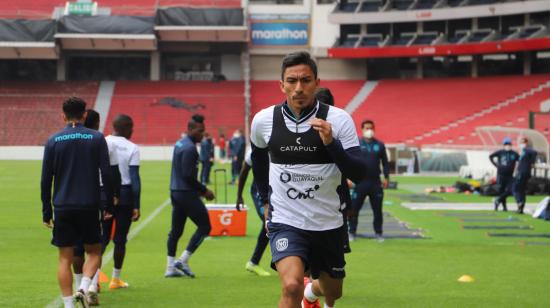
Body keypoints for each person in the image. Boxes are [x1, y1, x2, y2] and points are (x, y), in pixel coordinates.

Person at [250, 51, 366, 308]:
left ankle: (311, 294)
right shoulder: (263, 120)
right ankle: (301, 292)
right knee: (290, 286)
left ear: (317, 82)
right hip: (286, 221)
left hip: (328, 223)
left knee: (333, 292)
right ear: (281, 85)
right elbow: (258, 159)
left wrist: (331, 144)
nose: (298, 87)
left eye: (306, 80)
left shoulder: (339, 120)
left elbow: (359, 173)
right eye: (291, 81)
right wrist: (265, 199)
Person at [41, 97, 115, 308]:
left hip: (63, 206)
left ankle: (68, 304)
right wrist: (108, 204)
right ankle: (83, 286)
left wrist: (47, 211)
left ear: (63, 115)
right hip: (89, 205)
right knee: (94, 251)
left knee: (65, 258)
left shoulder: (53, 140)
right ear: (84, 115)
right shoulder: (96, 138)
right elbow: (106, 174)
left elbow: (46, 179)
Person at [166, 114, 215, 278]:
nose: (202, 134)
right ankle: (183, 260)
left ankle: (169, 267)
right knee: (205, 227)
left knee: (176, 231)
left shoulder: (180, 144)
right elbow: (188, 175)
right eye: (200, 131)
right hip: (187, 193)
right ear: (191, 129)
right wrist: (204, 191)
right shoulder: (190, 149)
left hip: (175, 192)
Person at [97, 114, 141, 292]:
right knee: (120, 239)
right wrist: (137, 204)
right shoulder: (132, 147)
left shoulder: (103, 142)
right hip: (125, 195)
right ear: (127, 128)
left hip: (104, 193)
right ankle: (115, 279)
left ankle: (94, 280)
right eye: (132, 128)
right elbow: (135, 178)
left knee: (102, 238)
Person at [348, 120, 389, 242]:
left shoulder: (380, 145)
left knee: (377, 211)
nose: (369, 130)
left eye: (371, 128)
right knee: (354, 209)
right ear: (362, 130)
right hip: (359, 182)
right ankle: (352, 232)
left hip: (375, 183)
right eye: (366, 128)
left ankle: (378, 233)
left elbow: (385, 163)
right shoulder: (357, 144)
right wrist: (348, 177)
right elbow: (350, 161)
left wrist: (386, 177)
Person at [236, 149, 271, 277]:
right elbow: (244, 171)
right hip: (259, 191)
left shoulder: (281, 142)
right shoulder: (255, 150)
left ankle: (253, 262)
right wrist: (239, 196)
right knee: (269, 222)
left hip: (275, 190)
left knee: (269, 224)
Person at [489, 138, 519, 211]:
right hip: (501, 175)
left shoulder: (514, 153)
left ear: (511, 145)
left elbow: (520, 160)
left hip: (510, 175)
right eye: (506, 144)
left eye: (509, 144)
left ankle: (498, 200)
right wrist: (496, 164)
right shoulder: (500, 152)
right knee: (501, 190)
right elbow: (490, 156)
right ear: (504, 145)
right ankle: (503, 207)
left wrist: (517, 169)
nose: (508, 146)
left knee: (510, 190)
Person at [514, 137, 538, 214]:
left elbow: (534, 152)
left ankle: (519, 203)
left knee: (515, 189)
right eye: (521, 142)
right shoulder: (523, 152)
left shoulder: (527, 150)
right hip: (522, 171)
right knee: (522, 190)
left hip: (523, 172)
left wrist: (532, 162)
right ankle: (521, 208)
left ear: (526, 143)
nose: (522, 144)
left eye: (523, 142)